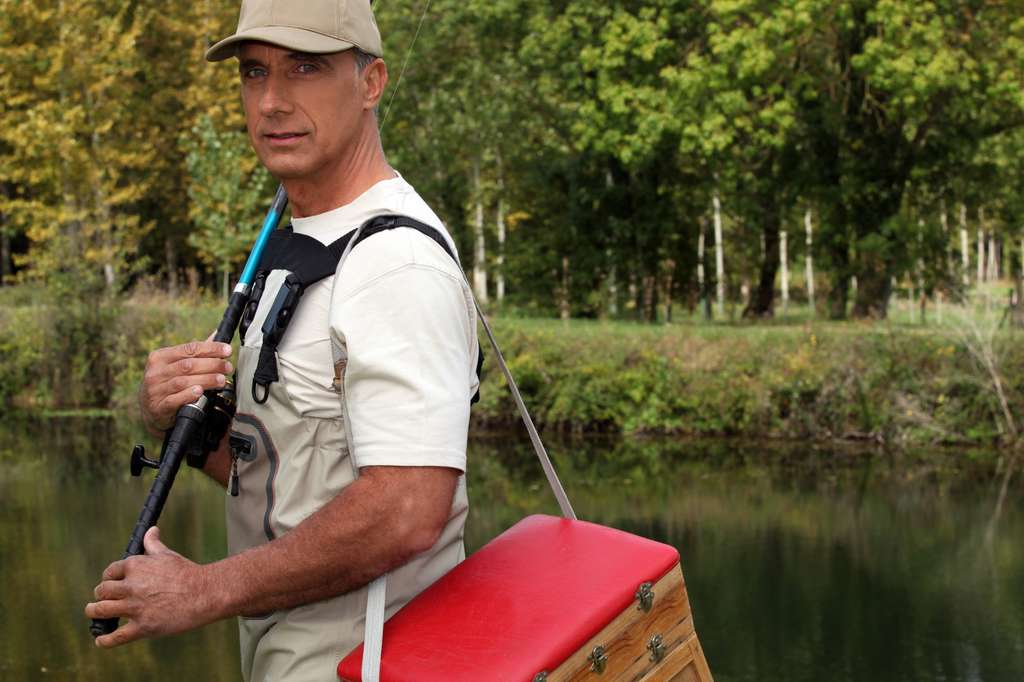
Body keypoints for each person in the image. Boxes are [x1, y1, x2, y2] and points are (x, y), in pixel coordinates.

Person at [84, 1, 479, 679]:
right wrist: (181, 418)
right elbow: (282, 476)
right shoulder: (300, 242)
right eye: (253, 72)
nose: (271, 101)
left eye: (305, 68)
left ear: (371, 83)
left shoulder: (396, 266)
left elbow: (408, 508)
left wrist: (206, 589)